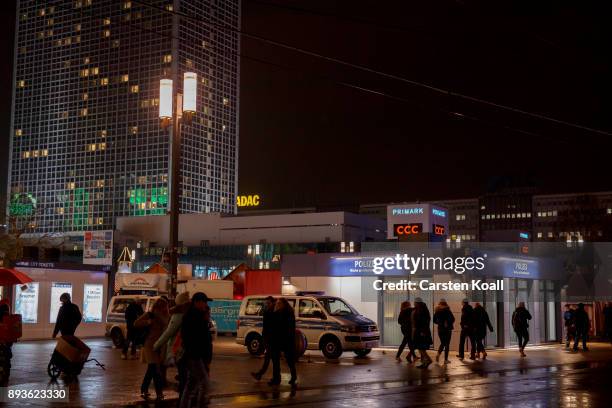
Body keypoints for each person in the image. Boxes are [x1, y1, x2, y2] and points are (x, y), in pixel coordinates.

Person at [180, 292, 213, 408]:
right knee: (204, 383)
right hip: (195, 356)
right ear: (197, 302)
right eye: (204, 302)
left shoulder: (195, 315)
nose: (206, 304)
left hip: (195, 355)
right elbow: (198, 338)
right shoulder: (194, 316)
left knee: (191, 384)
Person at [154, 291, 190, 395]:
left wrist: (157, 344)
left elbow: (168, 332)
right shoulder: (188, 313)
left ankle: (182, 396)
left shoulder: (178, 315)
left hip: (178, 348)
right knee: (185, 372)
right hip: (187, 347)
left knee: (183, 372)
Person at [134, 297, 169, 401]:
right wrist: (148, 322)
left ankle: (144, 388)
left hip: (161, 345)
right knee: (155, 368)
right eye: (160, 306)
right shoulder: (150, 314)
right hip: (150, 345)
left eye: (164, 306)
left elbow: (166, 328)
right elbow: (136, 323)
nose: (163, 308)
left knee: (151, 369)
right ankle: (159, 393)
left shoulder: (166, 316)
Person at [269, 297, 297, 386]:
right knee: (279, 360)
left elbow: (277, 326)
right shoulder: (288, 312)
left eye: (278, 303)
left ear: (283, 304)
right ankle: (279, 378)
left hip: (283, 339)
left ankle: (278, 378)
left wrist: (275, 311)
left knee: (284, 360)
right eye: (277, 303)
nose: (277, 305)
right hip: (283, 339)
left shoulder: (284, 313)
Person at [252, 296, 276, 380]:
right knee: (270, 357)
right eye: (266, 303)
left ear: (273, 303)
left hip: (271, 338)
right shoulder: (268, 311)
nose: (267, 305)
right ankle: (261, 374)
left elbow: (271, 326)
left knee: (271, 358)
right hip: (267, 337)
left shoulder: (274, 312)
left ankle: (263, 374)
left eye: (268, 303)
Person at [411, 297, 433, 368]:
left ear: (417, 303)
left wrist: (422, 331)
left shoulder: (422, 310)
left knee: (421, 348)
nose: (414, 303)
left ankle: (428, 360)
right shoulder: (419, 309)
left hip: (421, 332)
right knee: (420, 347)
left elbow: (424, 322)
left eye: (415, 302)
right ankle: (424, 363)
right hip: (419, 331)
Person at [433, 299, 454, 364]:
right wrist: (447, 323)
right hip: (447, 329)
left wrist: (439, 323)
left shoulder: (437, 311)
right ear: (445, 304)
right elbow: (453, 319)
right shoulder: (447, 310)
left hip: (440, 329)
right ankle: (445, 360)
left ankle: (438, 354)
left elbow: (434, 320)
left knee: (442, 343)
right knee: (447, 344)